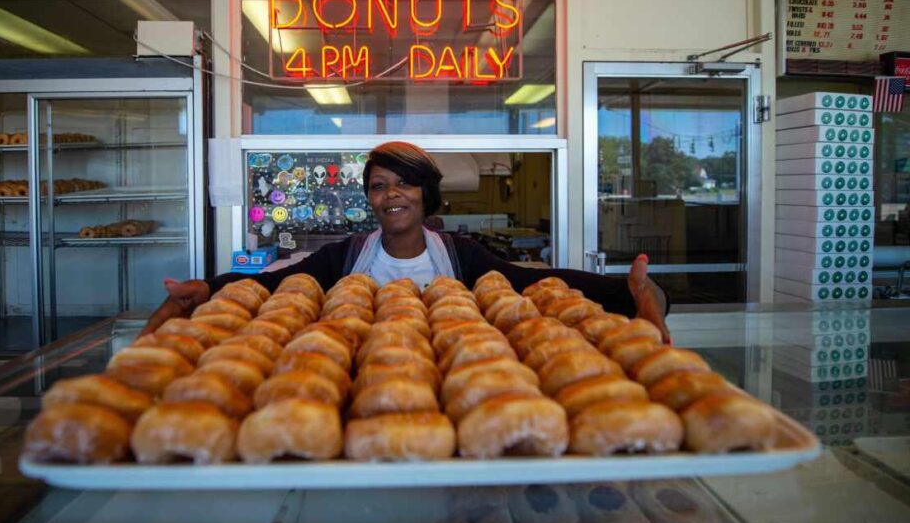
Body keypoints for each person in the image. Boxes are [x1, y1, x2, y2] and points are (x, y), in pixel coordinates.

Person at [143, 141, 671, 341]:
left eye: (403, 183)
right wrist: (208, 289)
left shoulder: (459, 257)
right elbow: (274, 283)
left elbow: (532, 283)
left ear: (425, 193)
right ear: (370, 200)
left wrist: (629, 291)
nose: (391, 194)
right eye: (378, 186)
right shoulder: (347, 257)